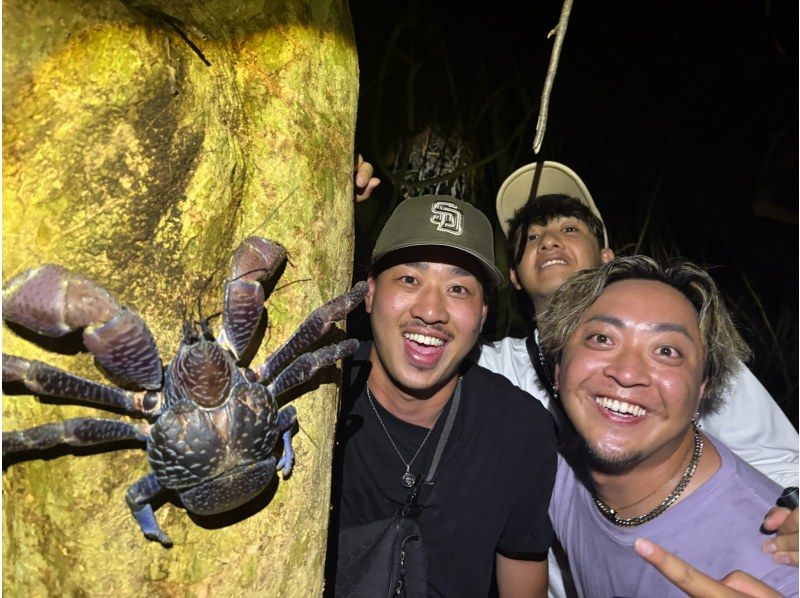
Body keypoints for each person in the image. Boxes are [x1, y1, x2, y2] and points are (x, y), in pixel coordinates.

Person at [475, 161, 799, 596]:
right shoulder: (496, 368)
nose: (627, 373)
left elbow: (782, 462)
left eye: (570, 229)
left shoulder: (690, 340)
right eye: (531, 237)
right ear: (513, 277)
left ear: (608, 256)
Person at [328, 194, 558, 597]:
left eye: (457, 288)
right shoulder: (320, 395)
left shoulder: (521, 430)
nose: (431, 311)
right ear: (369, 294)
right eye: (410, 280)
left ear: (483, 314)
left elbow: (523, 571)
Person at [537, 255, 798, 597]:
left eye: (666, 351)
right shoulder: (556, 475)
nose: (628, 373)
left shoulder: (772, 559)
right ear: (558, 368)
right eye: (602, 338)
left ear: (702, 388)